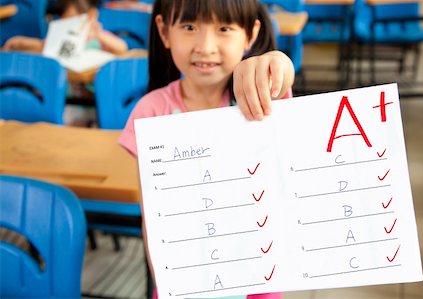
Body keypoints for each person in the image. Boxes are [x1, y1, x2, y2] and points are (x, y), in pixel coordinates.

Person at [118, 0, 295, 298]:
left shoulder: (259, 100)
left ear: (250, 34)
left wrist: (279, 64)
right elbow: (152, 212)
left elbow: (281, 78)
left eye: (224, 28)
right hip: (184, 282)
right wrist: (165, 279)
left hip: (258, 278)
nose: (206, 46)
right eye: (189, 27)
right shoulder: (151, 111)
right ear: (163, 31)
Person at [2, 0, 128, 55]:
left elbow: (122, 48)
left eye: (74, 19)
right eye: (65, 20)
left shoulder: (98, 36)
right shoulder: (61, 36)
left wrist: (99, 34)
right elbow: (43, 46)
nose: (69, 25)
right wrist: (17, 42)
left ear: (91, 16)